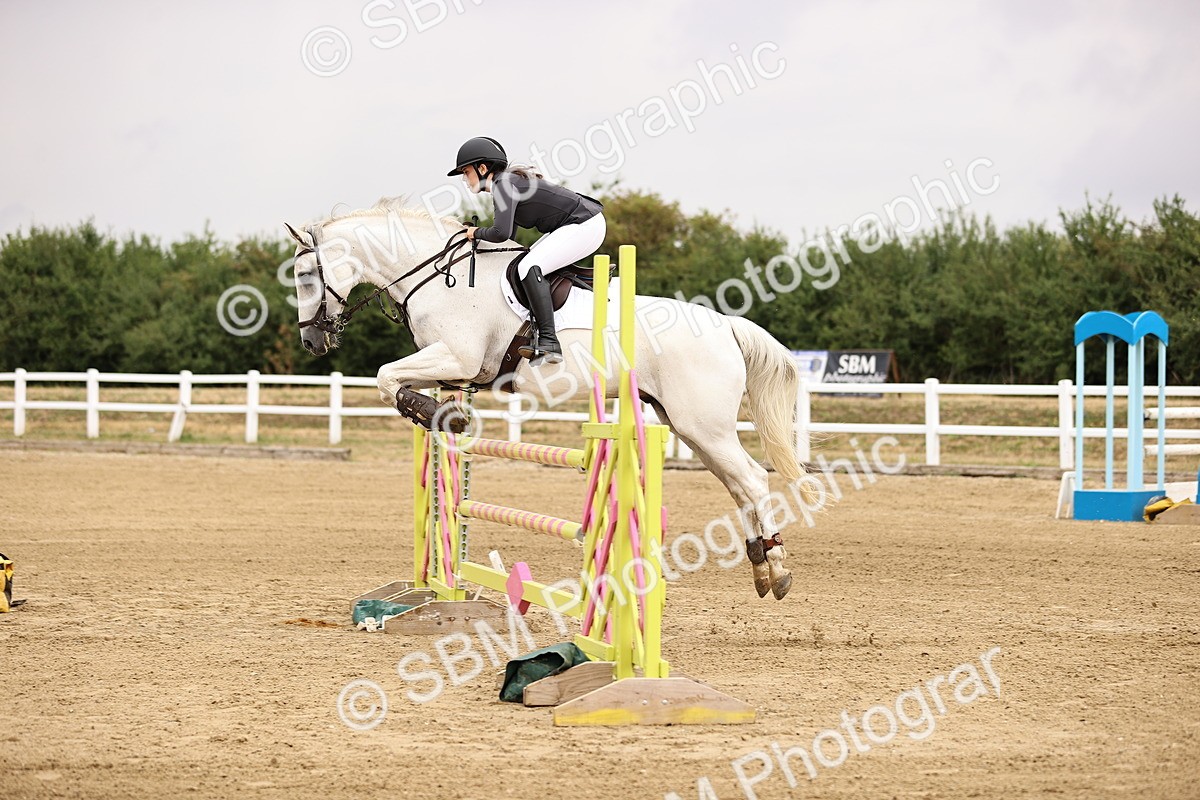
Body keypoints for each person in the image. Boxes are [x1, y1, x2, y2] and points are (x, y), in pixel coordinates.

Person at [448, 136, 605, 365]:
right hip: (577, 225)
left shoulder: (504, 184)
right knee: (524, 261)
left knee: (529, 266)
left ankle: (549, 341)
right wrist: (479, 240)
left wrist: (474, 233)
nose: (464, 178)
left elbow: (500, 233)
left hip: (585, 224)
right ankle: (539, 331)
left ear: (482, 168)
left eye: (466, 171)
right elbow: (508, 239)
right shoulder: (505, 184)